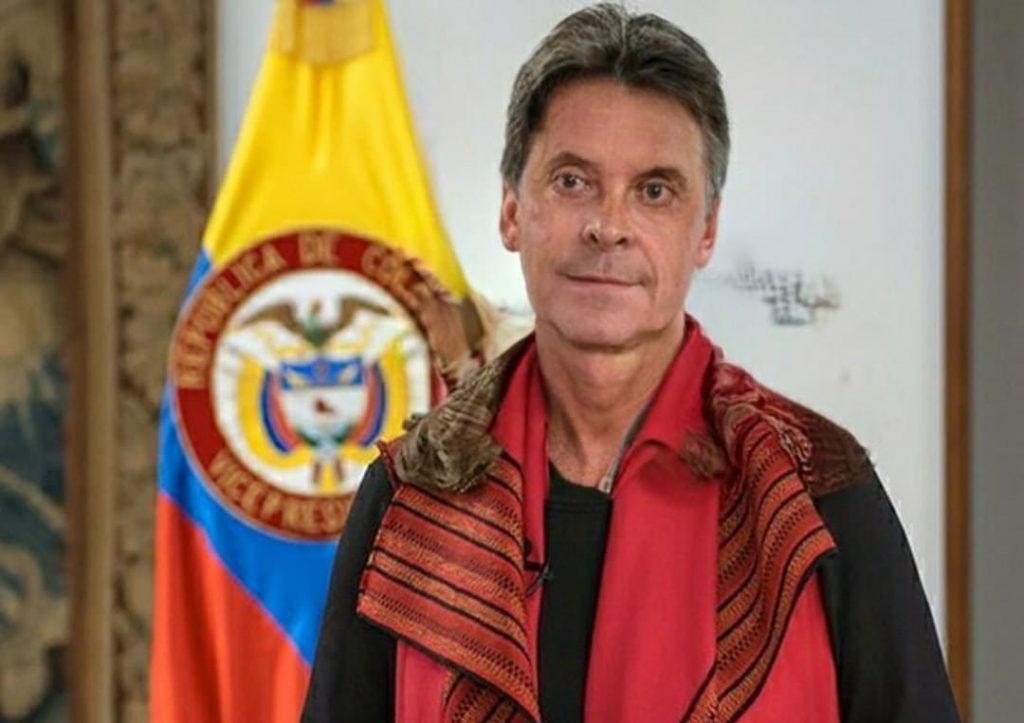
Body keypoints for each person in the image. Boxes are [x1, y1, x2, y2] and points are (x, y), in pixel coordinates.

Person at [301, 5, 960, 721]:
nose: (607, 226)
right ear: (512, 210)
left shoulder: (816, 491)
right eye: (572, 181)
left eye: (654, 191)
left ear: (705, 230)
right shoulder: (412, 492)